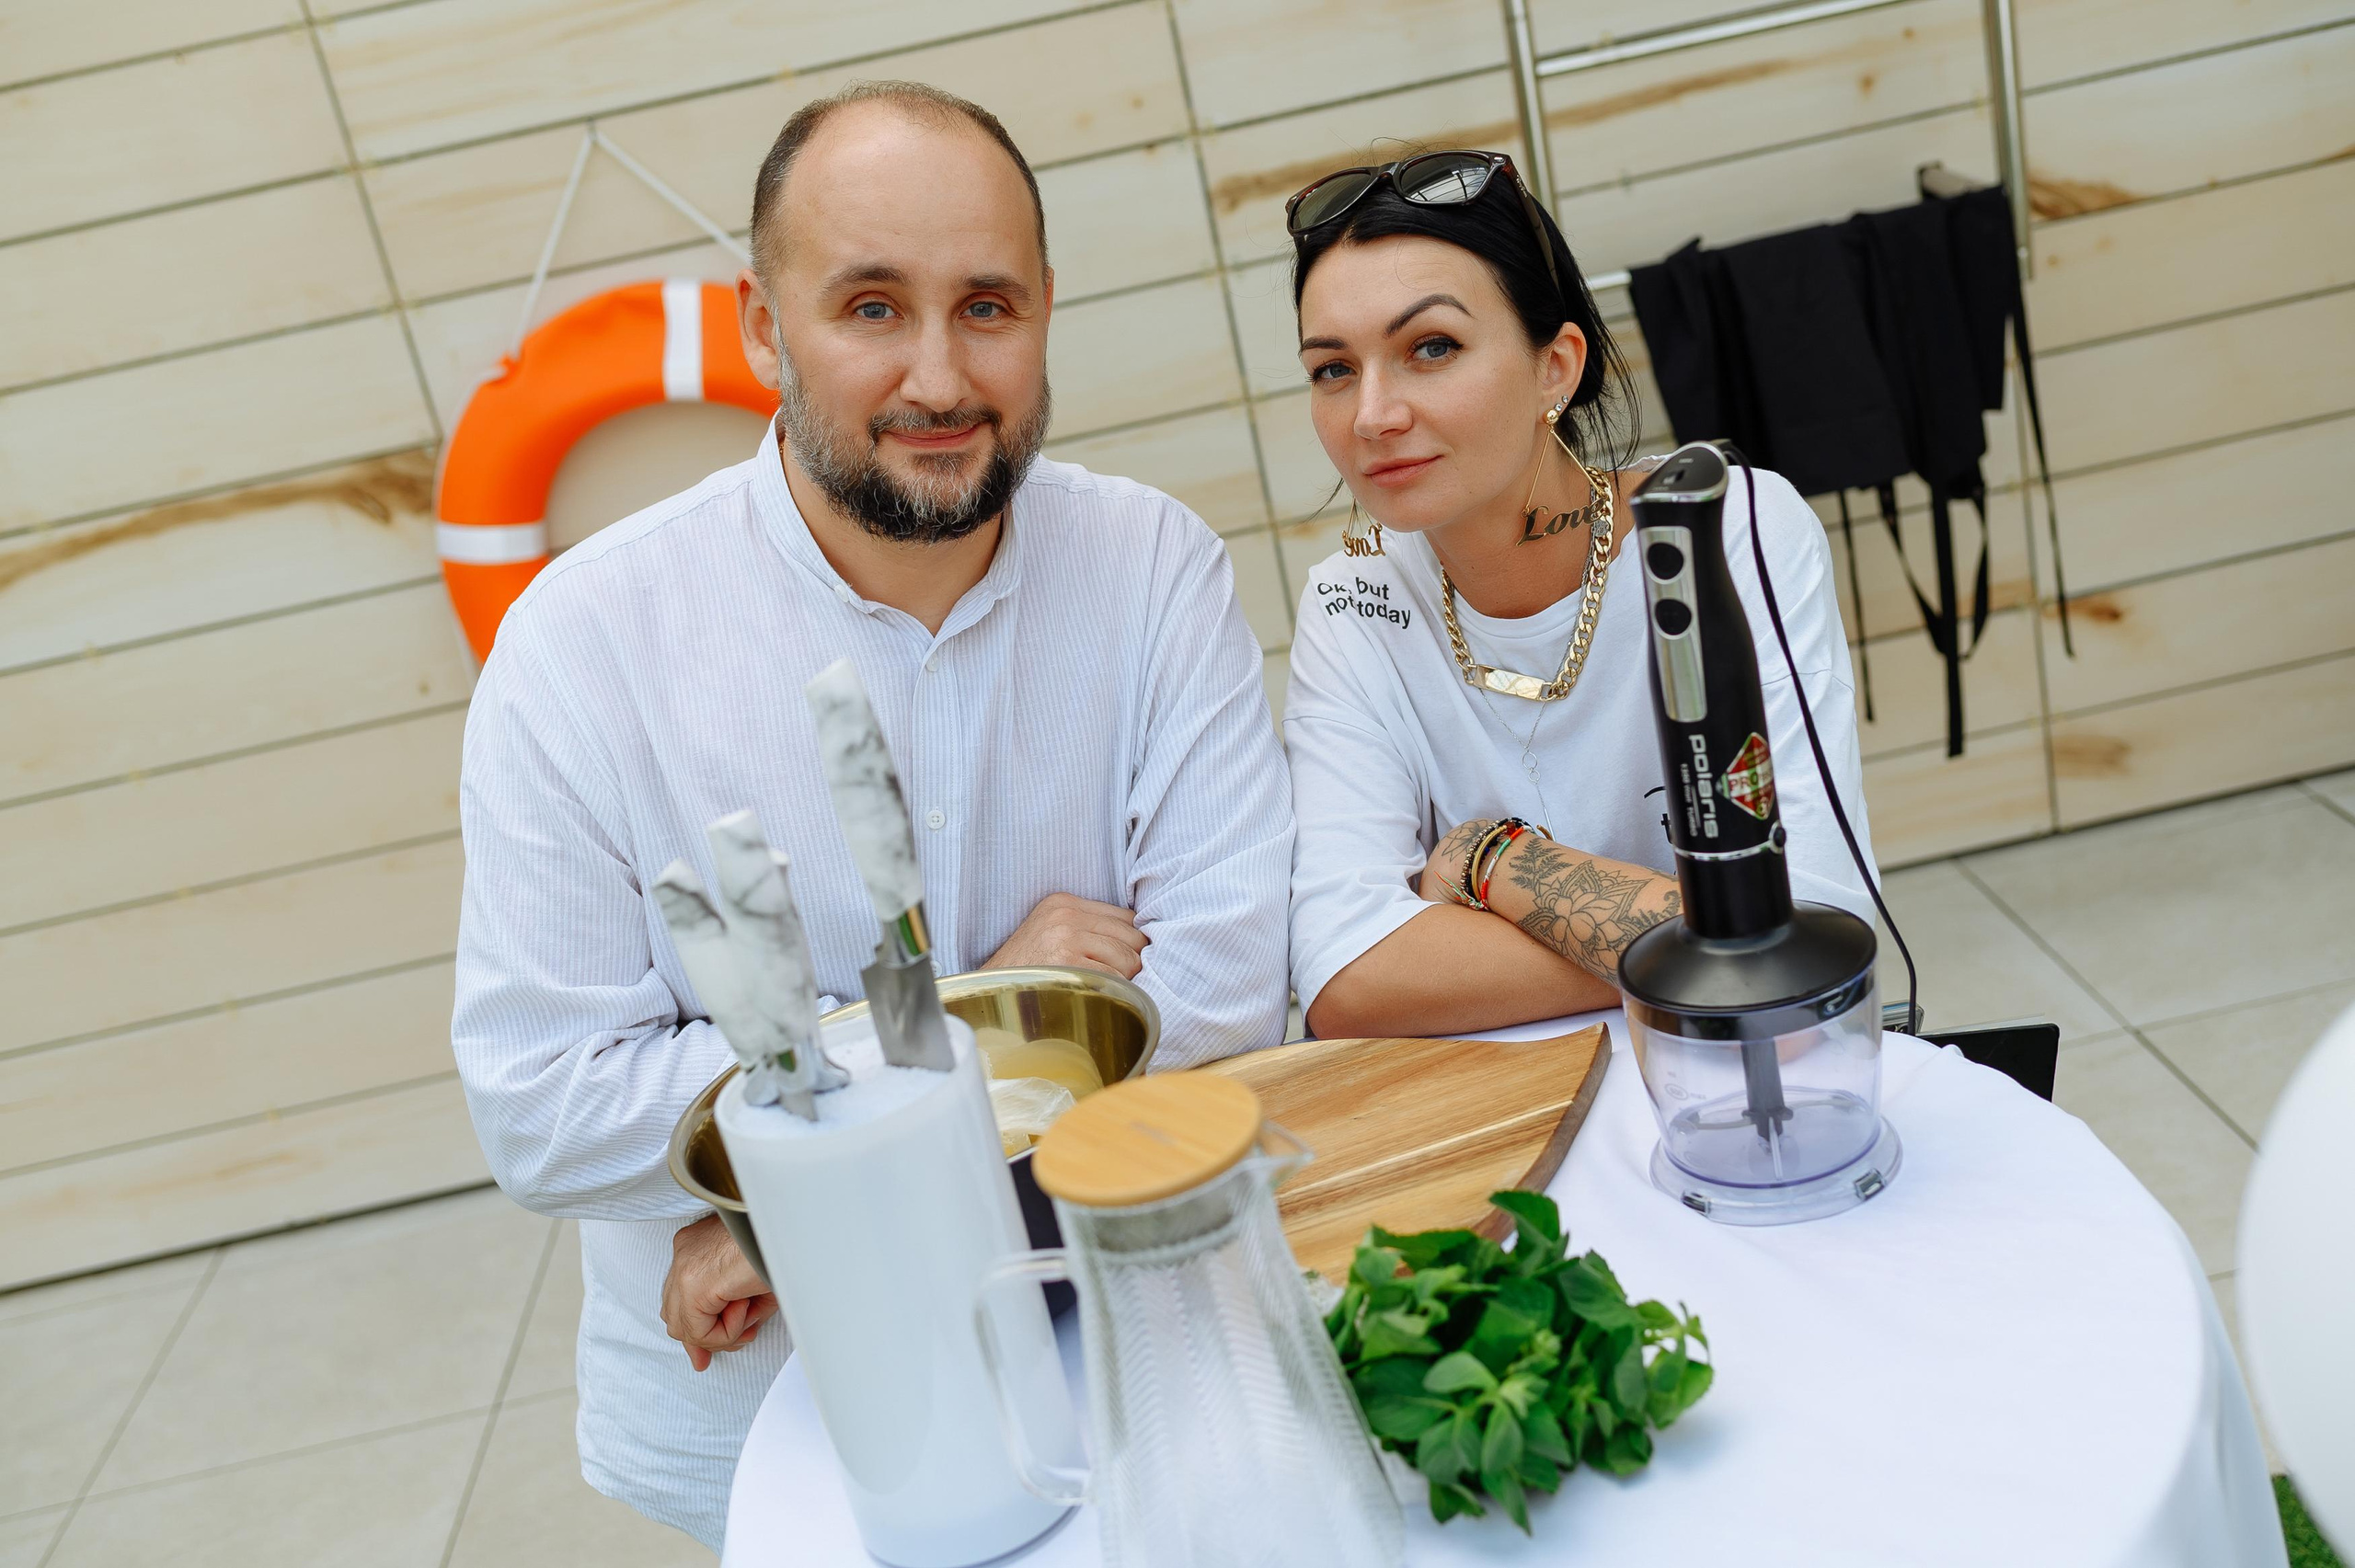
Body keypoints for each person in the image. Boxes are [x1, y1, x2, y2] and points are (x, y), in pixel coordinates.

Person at [451, 82, 1292, 1551]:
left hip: (1126, 1335)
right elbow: (545, 1106)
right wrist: (997, 1011)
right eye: (869, 308)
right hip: (783, 1404)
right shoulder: (581, 646)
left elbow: (1226, 987)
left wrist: (787, 1194)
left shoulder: (1154, 566)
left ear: (1044, 309)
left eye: (987, 306)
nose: (939, 375)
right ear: (766, 328)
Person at [1279, 150, 1876, 1040]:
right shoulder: (1353, 602)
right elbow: (1342, 974)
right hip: (1505, 1109)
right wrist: (1716, 937)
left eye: (1429, 348)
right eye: (1333, 369)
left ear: (1555, 367)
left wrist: (1493, 861)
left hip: (1750, 1075)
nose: (1372, 415)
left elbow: (1813, 932)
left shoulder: (1725, 528)